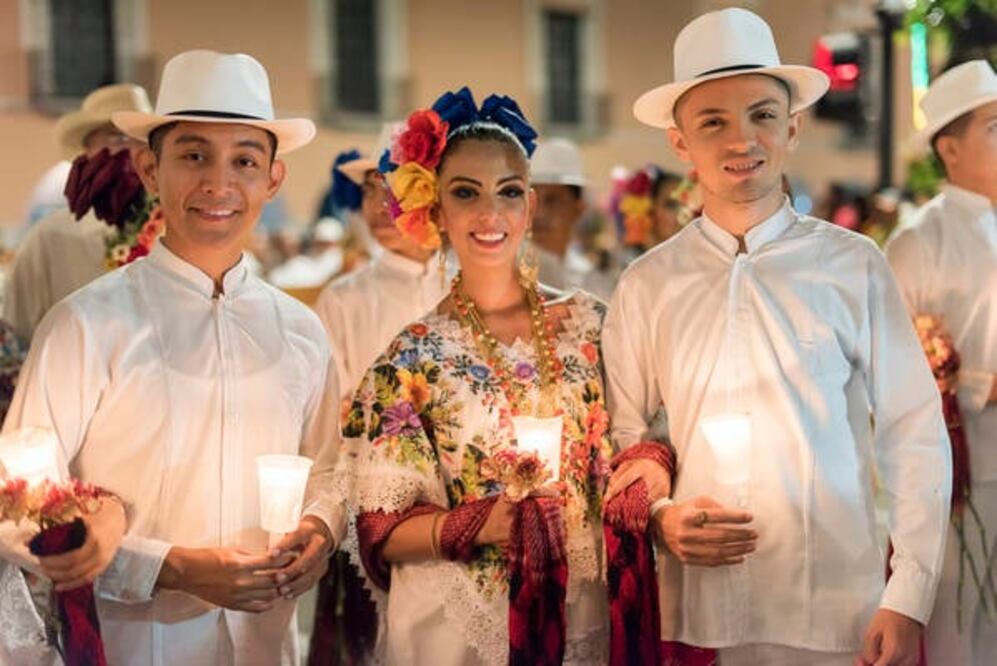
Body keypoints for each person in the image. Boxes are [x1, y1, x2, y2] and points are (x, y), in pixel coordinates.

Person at [605, 9, 951, 665]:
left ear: (791, 128)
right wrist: (657, 518)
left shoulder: (853, 265)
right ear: (680, 143)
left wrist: (907, 593)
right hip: (696, 608)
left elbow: (911, 429)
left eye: (762, 115)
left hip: (834, 608)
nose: (742, 139)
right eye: (713, 121)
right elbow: (621, 439)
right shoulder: (647, 284)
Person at [1, 50, 342, 664]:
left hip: (265, 644)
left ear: (273, 179)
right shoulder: (85, 325)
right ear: (148, 170)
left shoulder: (302, 331)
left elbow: (328, 471)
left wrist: (320, 531)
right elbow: (18, 509)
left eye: (243, 160)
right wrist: (170, 568)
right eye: (192, 156)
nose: (218, 184)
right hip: (127, 643)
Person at [336, 87, 612, 664]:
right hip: (459, 630)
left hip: (584, 611)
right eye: (466, 193)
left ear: (530, 208)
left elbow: (644, 441)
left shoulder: (592, 327)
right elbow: (379, 527)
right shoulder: (410, 360)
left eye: (508, 193)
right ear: (436, 211)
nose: (490, 215)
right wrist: (477, 524)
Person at [885, 59, 997, 665]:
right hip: (960, 473)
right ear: (950, 149)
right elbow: (896, 373)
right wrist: (980, 385)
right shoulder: (918, 241)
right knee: (962, 627)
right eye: (996, 127)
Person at [3, 83, 152, 342]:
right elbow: (15, 337)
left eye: (142, 139)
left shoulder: (178, 233)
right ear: (87, 151)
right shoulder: (50, 238)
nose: (132, 153)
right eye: (117, 138)